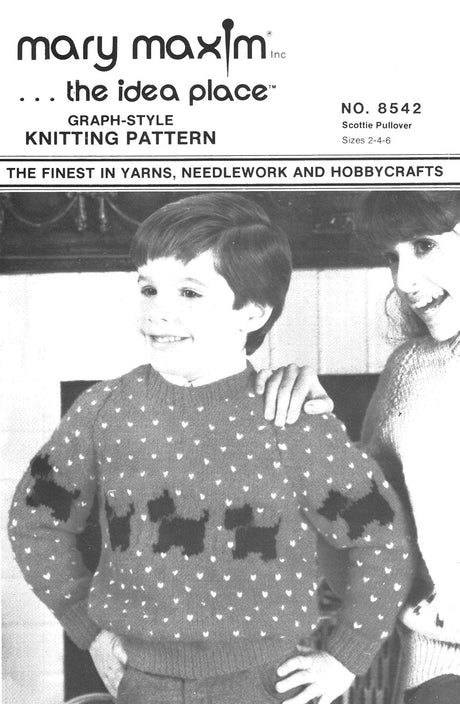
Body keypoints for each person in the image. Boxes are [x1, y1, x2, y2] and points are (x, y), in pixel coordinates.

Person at [9, 193, 414, 704]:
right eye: (148, 288)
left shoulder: (292, 421)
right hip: (138, 680)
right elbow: (35, 520)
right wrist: (85, 626)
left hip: (263, 683)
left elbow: (380, 538)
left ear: (251, 313)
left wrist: (346, 655)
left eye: (189, 293)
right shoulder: (103, 410)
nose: (158, 311)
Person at [260, 191, 460, 704]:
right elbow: (367, 544)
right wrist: (314, 433)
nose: (404, 280)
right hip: (444, 661)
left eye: (424, 245)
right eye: (393, 256)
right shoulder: (409, 372)